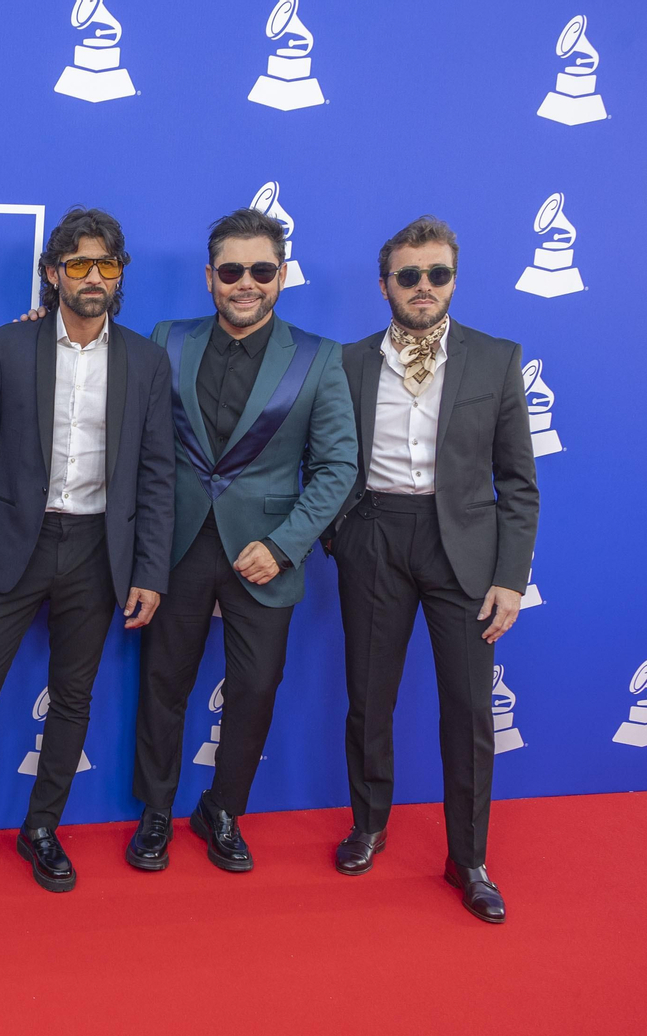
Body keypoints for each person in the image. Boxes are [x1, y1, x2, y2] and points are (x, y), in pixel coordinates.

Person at [0, 207, 175, 895]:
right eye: (76, 264)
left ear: (120, 276)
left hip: (97, 550)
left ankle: (42, 829)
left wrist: (150, 569)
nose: (91, 278)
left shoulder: (146, 360)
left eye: (105, 265)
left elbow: (157, 476)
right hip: (8, 547)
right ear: (53, 274)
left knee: (74, 697)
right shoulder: (8, 347)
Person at [129, 208, 357, 874]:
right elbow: (117, 399)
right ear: (210, 278)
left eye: (261, 270)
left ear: (281, 276)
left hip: (265, 553)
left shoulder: (317, 358)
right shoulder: (166, 340)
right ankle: (154, 813)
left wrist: (285, 544)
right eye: (232, 271)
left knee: (255, 687)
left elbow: (338, 466)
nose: (245, 283)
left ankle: (222, 810)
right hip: (175, 545)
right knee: (162, 684)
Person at [325, 217, 537, 923]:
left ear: (453, 279)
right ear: (385, 284)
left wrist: (510, 576)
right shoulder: (347, 362)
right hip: (375, 536)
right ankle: (370, 824)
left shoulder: (496, 359)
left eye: (436, 274)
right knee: (369, 696)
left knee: (471, 710)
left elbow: (518, 482)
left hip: (464, 552)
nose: (423, 287)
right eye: (409, 276)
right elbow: (321, 461)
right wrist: (341, 538)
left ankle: (468, 858)